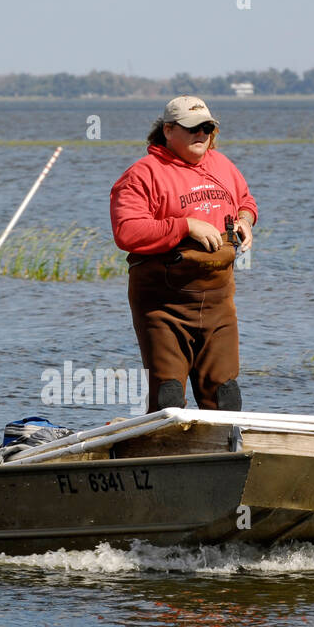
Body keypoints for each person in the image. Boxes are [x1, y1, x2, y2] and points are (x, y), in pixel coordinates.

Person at [110, 95, 257, 413]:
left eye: (207, 127)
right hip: (163, 308)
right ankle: (165, 459)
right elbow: (127, 232)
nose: (201, 134)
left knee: (225, 397)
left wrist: (245, 219)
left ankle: (222, 459)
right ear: (168, 130)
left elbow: (246, 199)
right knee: (169, 399)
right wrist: (185, 226)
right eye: (192, 128)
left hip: (219, 306)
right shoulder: (141, 175)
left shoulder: (222, 165)